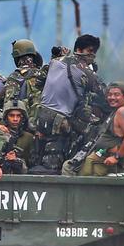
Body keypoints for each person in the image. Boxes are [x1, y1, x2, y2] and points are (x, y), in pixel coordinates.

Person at [32, 34, 104, 173]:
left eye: (94, 52)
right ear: (79, 49)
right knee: (89, 134)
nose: (92, 55)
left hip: (40, 118)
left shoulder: (55, 62)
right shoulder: (85, 71)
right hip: (61, 122)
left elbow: (39, 81)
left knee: (40, 153)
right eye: (90, 51)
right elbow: (103, 93)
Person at [77, 82, 124, 176]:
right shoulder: (116, 111)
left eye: (116, 95)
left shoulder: (123, 111)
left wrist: (116, 157)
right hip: (101, 159)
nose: (112, 97)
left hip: (107, 163)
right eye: (109, 95)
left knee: (69, 170)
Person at [4, 39, 46, 122]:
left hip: (24, 121)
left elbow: (8, 103)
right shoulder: (43, 74)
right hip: (43, 121)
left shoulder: (15, 76)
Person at [2, 99, 35, 167]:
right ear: (6, 117)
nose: (15, 119)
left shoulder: (29, 137)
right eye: (11, 115)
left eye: (18, 116)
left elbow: (32, 163)